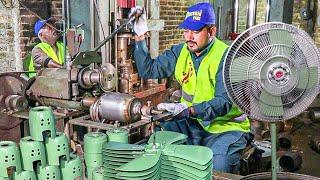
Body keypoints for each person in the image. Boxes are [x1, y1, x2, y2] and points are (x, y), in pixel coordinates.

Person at [130, 2, 251, 173]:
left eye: (196, 31)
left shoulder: (226, 57)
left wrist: (188, 110)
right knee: (157, 143)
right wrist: (140, 36)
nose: (189, 37)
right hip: (191, 124)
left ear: (212, 31)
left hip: (224, 128)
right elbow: (148, 69)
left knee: (219, 165)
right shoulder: (181, 51)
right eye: (186, 31)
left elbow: (223, 103)